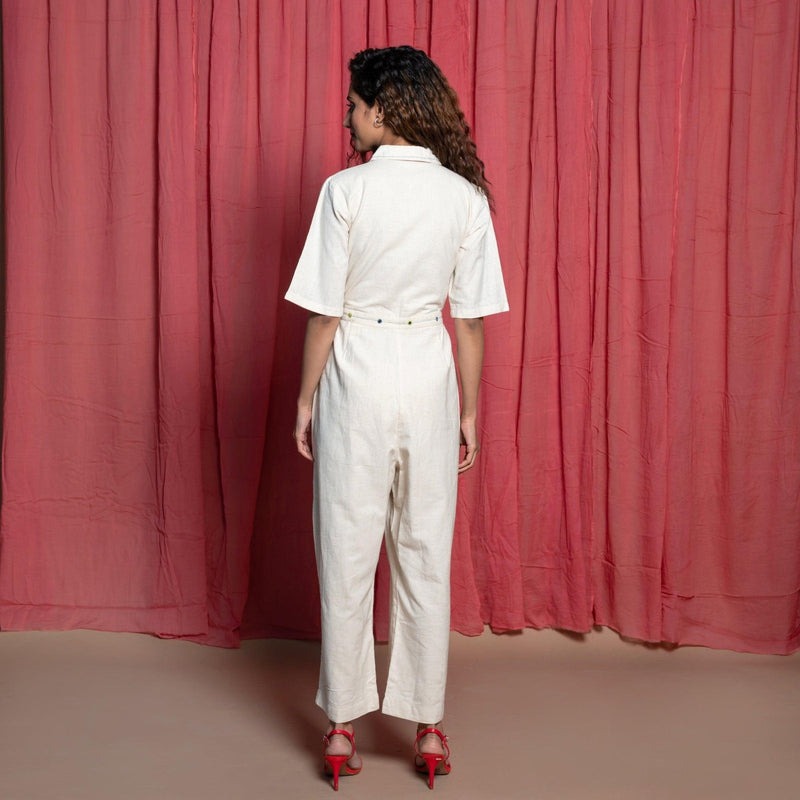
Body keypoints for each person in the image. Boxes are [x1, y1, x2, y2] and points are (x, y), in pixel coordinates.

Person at [285, 45, 508, 790]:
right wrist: (471, 412)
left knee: (347, 546)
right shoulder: (465, 199)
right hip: (431, 370)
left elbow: (323, 312)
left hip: (358, 366)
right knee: (425, 549)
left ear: (384, 107)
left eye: (354, 104)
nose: (348, 116)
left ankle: (344, 726)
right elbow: (470, 322)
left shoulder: (345, 192)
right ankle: (430, 726)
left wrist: (305, 398)